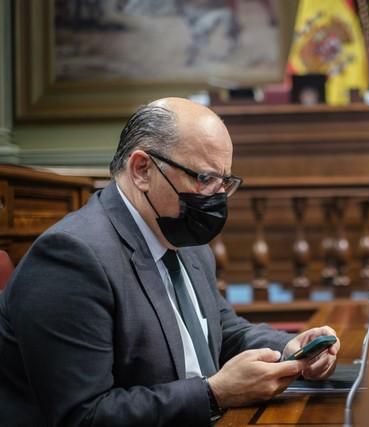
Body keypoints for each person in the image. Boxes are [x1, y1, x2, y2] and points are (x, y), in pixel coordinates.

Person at [0, 97, 340, 426]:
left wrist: (289, 347)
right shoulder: (71, 258)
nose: (217, 197)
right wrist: (214, 394)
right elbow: (87, 416)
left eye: (226, 182)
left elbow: (221, 330)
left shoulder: (182, 238)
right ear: (142, 169)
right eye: (205, 179)